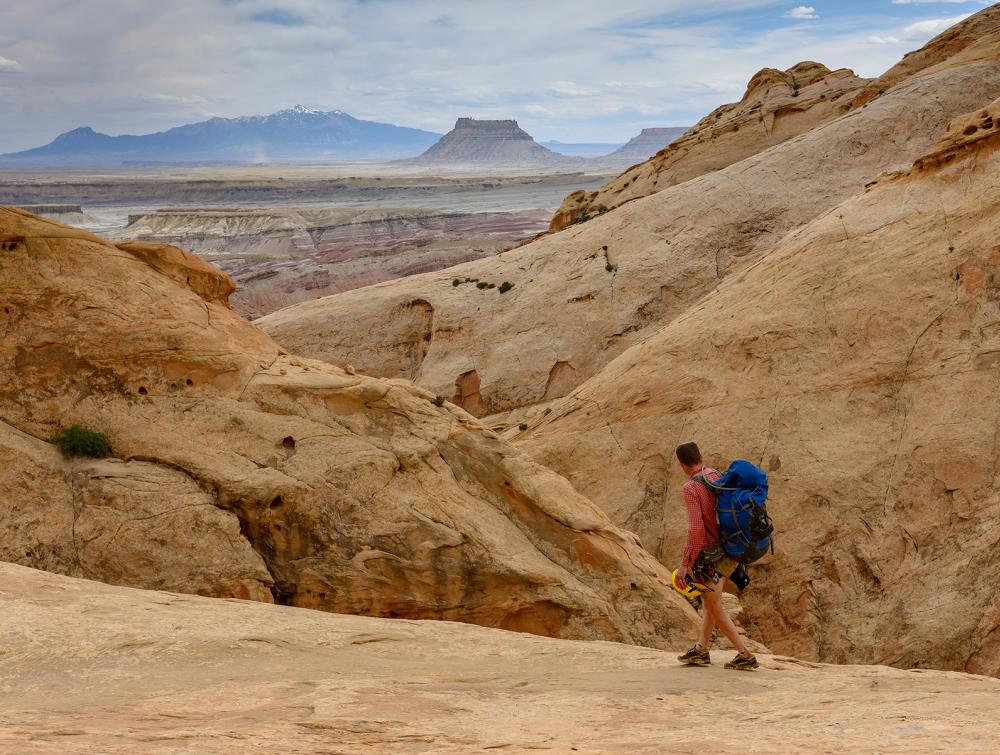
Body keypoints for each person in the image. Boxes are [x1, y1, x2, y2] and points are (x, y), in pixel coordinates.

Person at [673, 441, 759, 671]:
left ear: (681, 464)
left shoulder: (690, 488)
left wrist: (684, 565)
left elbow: (696, 529)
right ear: (700, 457)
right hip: (733, 546)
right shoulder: (716, 474)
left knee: (713, 603)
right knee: (709, 600)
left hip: (712, 554)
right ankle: (701, 649)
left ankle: (745, 654)